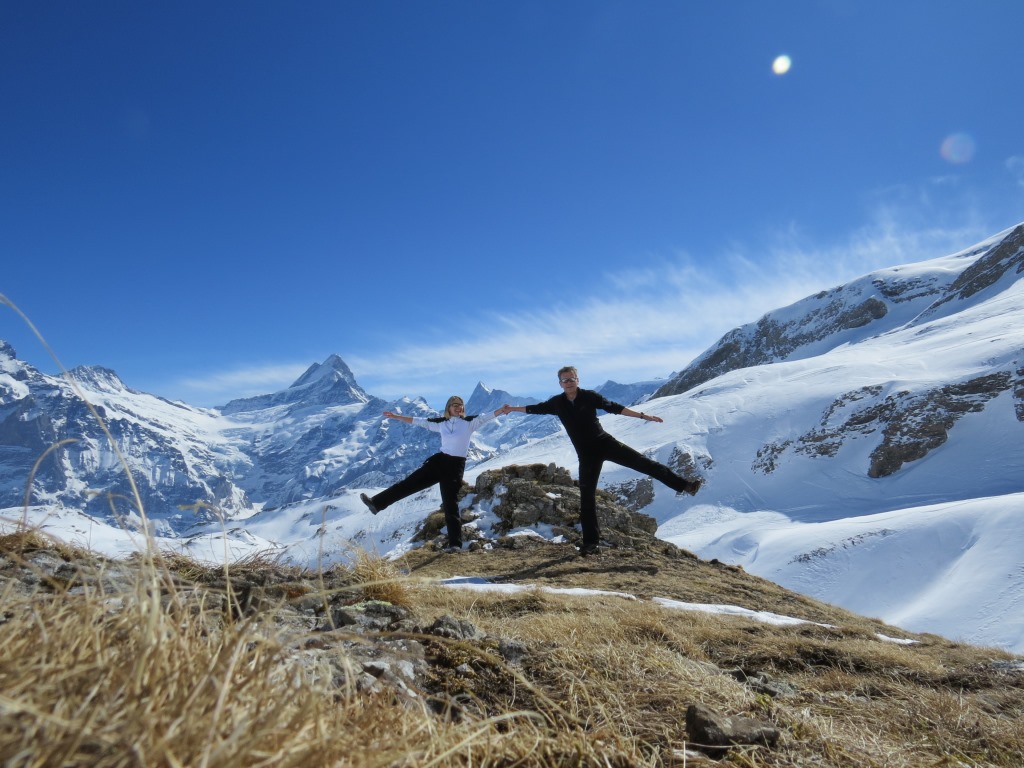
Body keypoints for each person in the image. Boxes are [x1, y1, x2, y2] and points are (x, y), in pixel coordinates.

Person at [502, 366, 701, 556]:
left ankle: (685, 485)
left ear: (577, 380)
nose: (569, 382)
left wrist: (642, 416)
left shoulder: (590, 396)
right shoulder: (557, 403)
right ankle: (591, 544)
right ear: (560, 383)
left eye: (572, 379)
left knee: (645, 464)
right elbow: (535, 409)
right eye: (565, 380)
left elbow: (614, 408)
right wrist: (512, 408)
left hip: (606, 444)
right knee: (586, 497)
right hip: (586, 455)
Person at [360, 395, 503, 552]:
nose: (458, 407)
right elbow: (418, 421)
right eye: (455, 405)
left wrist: (503, 409)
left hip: (455, 467)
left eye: (461, 405)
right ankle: (376, 504)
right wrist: (397, 417)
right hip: (438, 463)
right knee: (407, 484)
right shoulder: (441, 423)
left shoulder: (470, 422)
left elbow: (487, 416)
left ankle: (455, 545)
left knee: (450, 504)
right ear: (449, 408)